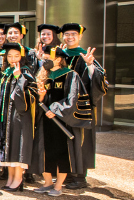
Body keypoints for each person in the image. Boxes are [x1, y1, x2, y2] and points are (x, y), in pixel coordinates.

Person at [33, 46, 93, 196]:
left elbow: (72, 99)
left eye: (47, 57)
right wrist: (40, 99)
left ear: (59, 59)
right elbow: (39, 100)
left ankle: (58, 186)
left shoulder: (70, 75)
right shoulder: (43, 76)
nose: (44, 60)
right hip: (45, 121)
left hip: (63, 122)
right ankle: (47, 183)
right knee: (45, 152)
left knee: (62, 153)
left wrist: (55, 110)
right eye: (44, 58)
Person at [59, 23, 105, 190]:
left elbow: (99, 81)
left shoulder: (85, 55)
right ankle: (67, 174)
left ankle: (79, 177)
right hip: (62, 106)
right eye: (66, 34)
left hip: (80, 107)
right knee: (64, 139)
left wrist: (90, 66)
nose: (70, 37)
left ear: (79, 36)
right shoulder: (61, 55)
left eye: (73, 34)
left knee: (80, 140)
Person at [0, 43, 37, 192]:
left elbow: (31, 93)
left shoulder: (25, 71)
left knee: (18, 145)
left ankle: (18, 179)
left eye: (16, 56)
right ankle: (10, 178)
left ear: (22, 57)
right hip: (7, 116)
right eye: (10, 56)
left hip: (20, 116)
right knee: (9, 145)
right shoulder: (6, 72)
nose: (13, 59)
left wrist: (19, 78)